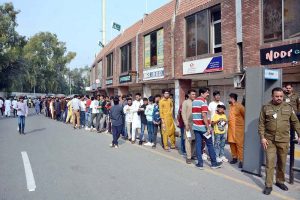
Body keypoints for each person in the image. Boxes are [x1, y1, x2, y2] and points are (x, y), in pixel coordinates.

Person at [258, 87, 300, 195]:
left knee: (281, 162)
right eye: (277, 96)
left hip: (283, 140)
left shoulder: (288, 107)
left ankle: (280, 181)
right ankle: (268, 185)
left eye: (281, 96)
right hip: (269, 140)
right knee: (270, 163)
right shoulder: (265, 108)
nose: (279, 98)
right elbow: (261, 124)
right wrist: (262, 137)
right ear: (272, 96)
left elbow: (295, 122)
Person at [192, 87, 222, 169]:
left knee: (198, 145)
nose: (208, 94)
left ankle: (200, 164)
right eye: (206, 93)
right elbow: (204, 115)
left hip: (196, 127)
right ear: (202, 93)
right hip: (203, 128)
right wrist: (208, 127)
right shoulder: (203, 102)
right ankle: (214, 163)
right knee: (209, 144)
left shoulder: (194, 101)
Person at [228, 93, 245, 168]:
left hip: (238, 129)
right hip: (231, 128)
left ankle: (241, 160)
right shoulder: (231, 106)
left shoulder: (240, 106)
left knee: (239, 145)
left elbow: (245, 116)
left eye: (229, 98)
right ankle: (234, 157)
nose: (229, 100)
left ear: (232, 98)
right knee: (232, 143)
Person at [182, 89, 197, 164]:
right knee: (188, 140)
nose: (194, 95)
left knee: (194, 140)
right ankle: (188, 157)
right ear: (189, 95)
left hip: (196, 124)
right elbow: (183, 114)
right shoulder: (185, 102)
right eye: (193, 94)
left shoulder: (196, 102)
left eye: (195, 94)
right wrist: (186, 124)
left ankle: (192, 154)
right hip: (188, 124)